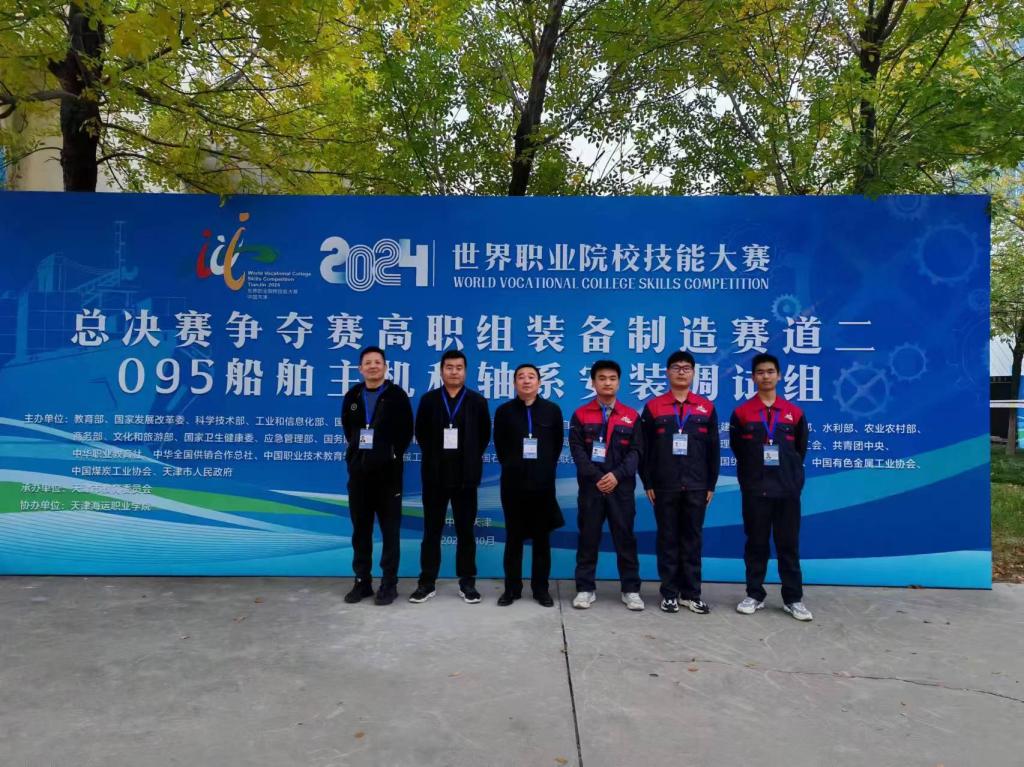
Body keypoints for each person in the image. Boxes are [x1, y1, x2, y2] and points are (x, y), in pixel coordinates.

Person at [729, 352, 813, 621]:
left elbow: (800, 450)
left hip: (787, 491)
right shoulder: (742, 413)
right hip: (756, 490)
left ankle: (793, 598)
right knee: (756, 544)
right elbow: (739, 450)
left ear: (779, 376)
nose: (765, 376)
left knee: (788, 546)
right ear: (753, 377)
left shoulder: (794, 413)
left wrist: (792, 481)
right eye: (760, 372)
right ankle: (754, 594)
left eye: (770, 372)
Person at [639, 350, 719, 614]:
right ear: (667, 373)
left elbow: (713, 450)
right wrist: (648, 482)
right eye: (676, 367)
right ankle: (670, 593)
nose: (681, 371)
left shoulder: (706, 407)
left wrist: (711, 485)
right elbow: (644, 449)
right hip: (664, 486)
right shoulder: (654, 407)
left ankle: (691, 594)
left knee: (692, 540)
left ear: (693, 373)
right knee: (668, 539)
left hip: (697, 486)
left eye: (686, 368)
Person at [410, 349, 491, 605]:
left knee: (466, 532)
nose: (454, 372)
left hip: (466, 477)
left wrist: (468, 458)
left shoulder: (477, 401)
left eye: (459, 367)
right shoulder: (429, 400)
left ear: (465, 371)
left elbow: (483, 436)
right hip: (435, 476)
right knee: (431, 531)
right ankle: (426, 582)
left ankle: (467, 583)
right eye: (449, 367)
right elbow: (421, 433)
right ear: (441, 371)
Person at [340, 346, 414, 606]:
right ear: (360, 368)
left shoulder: (396, 396)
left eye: (377, 362)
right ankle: (362, 582)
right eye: (368, 362)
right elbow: (349, 430)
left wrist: (389, 455)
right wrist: (358, 457)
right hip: (359, 476)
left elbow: (406, 432)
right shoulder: (353, 396)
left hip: (388, 477)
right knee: (360, 531)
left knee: (390, 532)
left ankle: (389, 584)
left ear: (385, 367)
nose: (373, 366)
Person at [568, 360, 644, 611]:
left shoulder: (631, 416)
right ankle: (585, 588)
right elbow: (577, 451)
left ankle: (631, 590)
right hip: (591, 489)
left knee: (625, 539)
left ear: (619, 383)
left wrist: (616, 476)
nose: (607, 383)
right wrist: (597, 478)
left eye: (612, 378)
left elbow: (636, 451)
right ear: (593, 382)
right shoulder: (581, 414)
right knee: (588, 538)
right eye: (602, 378)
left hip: (621, 489)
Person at [493, 363, 565, 607]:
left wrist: (542, 469)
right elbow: (501, 447)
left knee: (541, 540)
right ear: (514, 383)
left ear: (539, 382)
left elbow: (556, 446)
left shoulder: (552, 411)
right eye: (521, 377)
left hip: (543, 486)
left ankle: (541, 589)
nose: (526, 381)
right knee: (513, 539)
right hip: (513, 486)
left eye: (531, 377)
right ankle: (511, 589)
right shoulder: (504, 412)